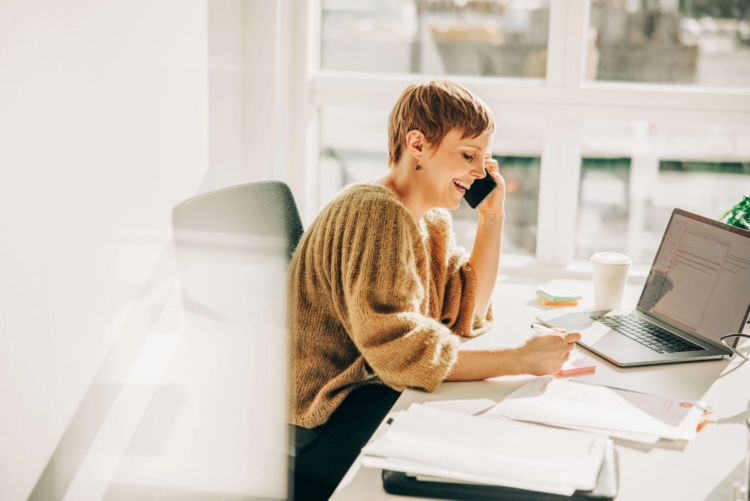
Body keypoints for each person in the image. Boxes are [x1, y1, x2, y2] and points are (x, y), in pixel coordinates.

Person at [288, 80, 580, 500]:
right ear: (418, 145)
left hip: (369, 390)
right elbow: (403, 354)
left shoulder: (426, 219)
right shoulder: (375, 213)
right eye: (468, 156)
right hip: (324, 415)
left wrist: (491, 219)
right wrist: (519, 359)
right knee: (473, 451)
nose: (481, 172)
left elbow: (465, 311)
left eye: (484, 158)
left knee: (480, 429)